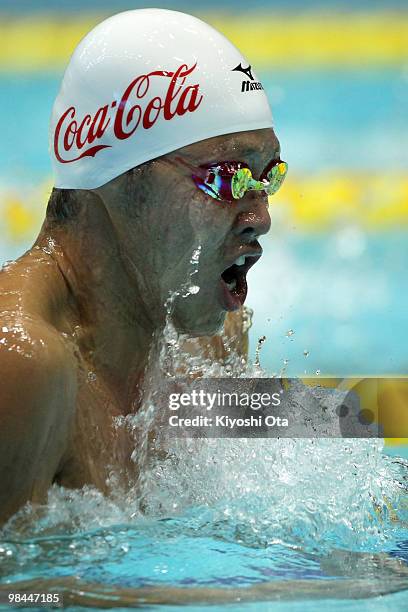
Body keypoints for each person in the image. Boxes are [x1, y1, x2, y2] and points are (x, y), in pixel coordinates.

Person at [0, 8, 286, 524]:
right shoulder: (23, 367)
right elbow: (20, 594)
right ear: (117, 174)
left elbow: (291, 465)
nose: (261, 217)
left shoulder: (207, 341)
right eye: (227, 178)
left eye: (269, 176)